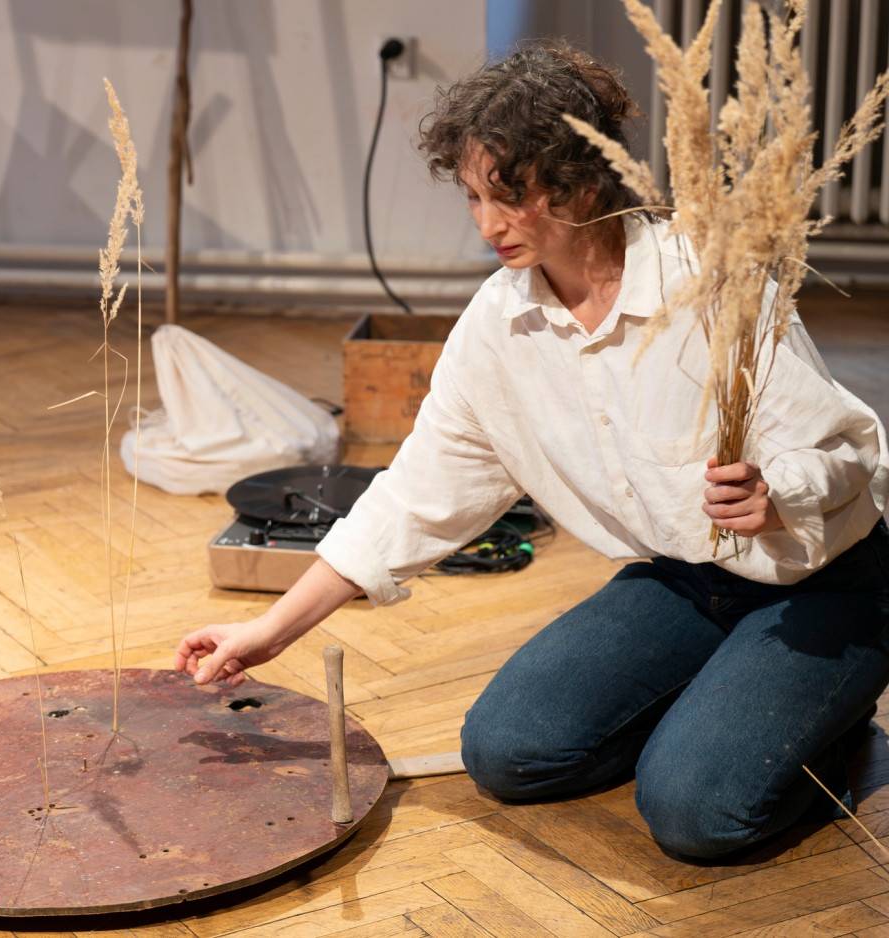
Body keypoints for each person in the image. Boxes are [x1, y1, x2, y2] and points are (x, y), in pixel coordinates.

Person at [174, 41, 889, 860]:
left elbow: (851, 453)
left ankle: (824, 724)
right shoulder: (499, 325)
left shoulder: (707, 282)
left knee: (696, 815)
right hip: (689, 582)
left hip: (823, 588)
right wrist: (270, 631)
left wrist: (778, 494)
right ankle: (722, 711)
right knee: (507, 751)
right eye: (474, 197)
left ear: (581, 181)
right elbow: (416, 494)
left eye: (510, 197)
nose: (487, 225)